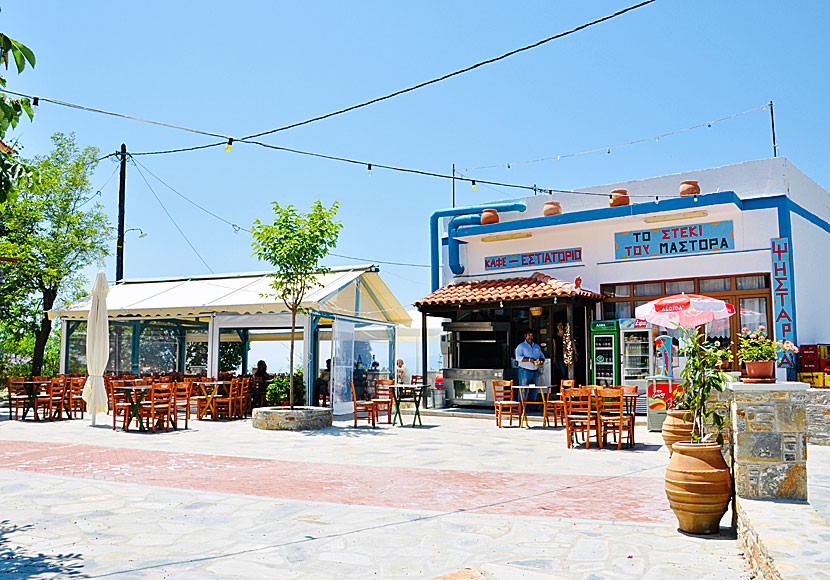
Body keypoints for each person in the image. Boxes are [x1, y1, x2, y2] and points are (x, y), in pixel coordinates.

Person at [515, 329, 545, 403]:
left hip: (535, 371)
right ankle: (522, 408)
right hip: (524, 371)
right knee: (523, 389)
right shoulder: (521, 346)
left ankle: (531, 407)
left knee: (534, 390)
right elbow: (518, 358)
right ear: (525, 336)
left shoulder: (537, 346)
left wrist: (541, 361)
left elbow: (542, 356)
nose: (530, 337)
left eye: (531, 335)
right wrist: (529, 360)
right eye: (528, 335)